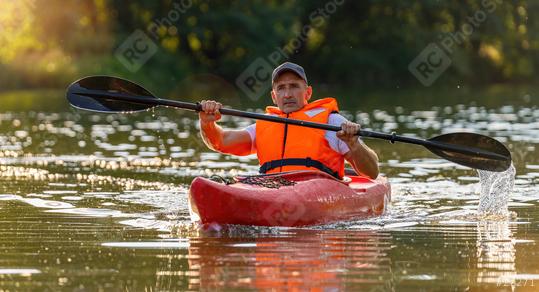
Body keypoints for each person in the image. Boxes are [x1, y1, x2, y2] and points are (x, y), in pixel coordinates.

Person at [198, 62, 379, 179]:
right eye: (281, 88)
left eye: (294, 86)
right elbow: (221, 141)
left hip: (319, 193)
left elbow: (371, 173)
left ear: (308, 92)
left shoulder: (332, 122)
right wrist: (207, 123)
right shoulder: (264, 124)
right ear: (274, 96)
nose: (288, 94)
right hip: (271, 189)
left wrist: (355, 145)